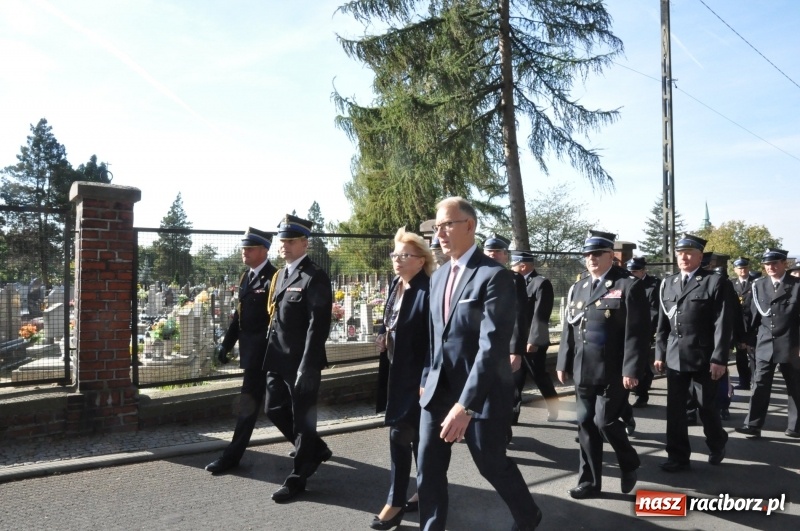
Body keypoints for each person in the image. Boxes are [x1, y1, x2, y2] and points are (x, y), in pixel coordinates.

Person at [418, 197, 542, 531]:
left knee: (491, 464)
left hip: (481, 394)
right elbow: (435, 337)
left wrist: (466, 406)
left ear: (469, 226)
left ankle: (528, 515)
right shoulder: (438, 276)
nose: (440, 232)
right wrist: (426, 376)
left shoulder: (494, 276)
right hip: (438, 390)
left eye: (447, 225)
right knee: (428, 467)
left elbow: (492, 347)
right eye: (437, 226)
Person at [556, 230, 648, 499]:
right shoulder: (580, 287)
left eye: (597, 254)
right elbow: (569, 328)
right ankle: (589, 482)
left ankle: (629, 460)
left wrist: (632, 369)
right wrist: (563, 360)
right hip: (584, 368)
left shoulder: (629, 285)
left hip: (614, 370)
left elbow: (637, 333)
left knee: (605, 422)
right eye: (587, 255)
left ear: (612, 256)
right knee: (585, 425)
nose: (591, 259)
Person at [264, 214, 333, 502]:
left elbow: (318, 325)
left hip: (302, 361)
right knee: (273, 408)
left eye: (290, 241)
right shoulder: (283, 275)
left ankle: (298, 477)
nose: (284, 245)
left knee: (304, 422)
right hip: (277, 358)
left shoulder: (314, 276)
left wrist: (308, 364)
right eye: (282, 241)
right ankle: (316, 449)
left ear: (305, 242)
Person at [371, 227, 433, 530]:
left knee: (402, 435)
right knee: (416, 439)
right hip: (395, 374)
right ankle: (425, 490)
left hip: (416, 380)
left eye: (405, 255)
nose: (397, 259)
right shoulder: (397, 283)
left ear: (421, 261)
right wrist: (383, 334)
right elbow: (388, 319)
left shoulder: (427, 291)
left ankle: (395, 503)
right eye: (395, 254)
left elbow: (436, 343)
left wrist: (426, 380)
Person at [654, 234, 731, 472]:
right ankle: (678, 456)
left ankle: (717, 442)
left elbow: (722, 324)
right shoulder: (668, 283)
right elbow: (663, 324)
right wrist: (660, 353)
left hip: (704, 358)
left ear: (700, 256)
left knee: (706, 406)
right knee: (675, 411)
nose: (684, 257)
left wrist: (719, 358)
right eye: (680, 253)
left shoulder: (715, 282)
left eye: (689, 253)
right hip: (676, 356)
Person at [205, 227, 278, 474]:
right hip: (251, 355)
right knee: (279, 407)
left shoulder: (275, 278)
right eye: (243, 248)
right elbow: (239, 315)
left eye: (249, 248)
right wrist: (227, 343)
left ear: (263, 250)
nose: (243, 252)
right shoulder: (246, 277)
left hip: (268, 354)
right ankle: (313, 447)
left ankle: (231, 457)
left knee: (260, 407)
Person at [736, 248, 800, 439]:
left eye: (775, 263)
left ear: (784, 264)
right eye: (767, 264)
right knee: (760, 384)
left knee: (795, 386)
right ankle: (753, 425)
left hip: (791, 343)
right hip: (765, 343)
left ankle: (795, 427)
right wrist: (746, 339)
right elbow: (753, 315)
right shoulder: (759, 285)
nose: (770, 267)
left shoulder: (796, 285)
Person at [483, 234, 528, 442]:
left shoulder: (514, 279)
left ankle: (503, 431)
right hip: (479, 347)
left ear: (505, 256)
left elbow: (520, 317)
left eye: (497, 252)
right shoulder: (475, 276)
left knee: (501, 393)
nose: (493, 255)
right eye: (489, 251)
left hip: (503, 348)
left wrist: (516, 351)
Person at [510, 251, 560, 421]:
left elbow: (541, 315)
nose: (511, 268)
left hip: (533, 342)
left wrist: (533, 340)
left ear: (522, 266)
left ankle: (553, 406)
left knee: (539, 376)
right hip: (516, 342)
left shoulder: (541, 283)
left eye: (514, 264)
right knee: (515, 379)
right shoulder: (514, 283)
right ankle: (512, 415)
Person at [624, 257, 660, 409]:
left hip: (645, 329)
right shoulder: (626, 284)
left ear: (643, 270)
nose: (632, 274)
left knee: (642, 363)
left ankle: (642, 396)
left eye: (635, 271)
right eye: (629, 271)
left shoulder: (653, 285)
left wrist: (648, 331)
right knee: (639, 363)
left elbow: (654, 310)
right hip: (627, 329)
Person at [730, 257, 754, 390]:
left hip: (752, 323)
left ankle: (756, 380)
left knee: (753, 354)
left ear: (748, 268)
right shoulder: (731, 284)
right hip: (738, 324)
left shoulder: (755, 283)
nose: (742, 270)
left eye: (744, 268)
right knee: (741, 355)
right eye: (739, 268)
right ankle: (744, 382)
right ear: (735, 270)